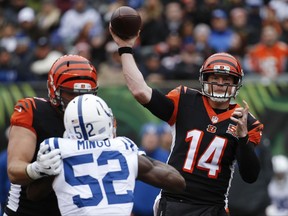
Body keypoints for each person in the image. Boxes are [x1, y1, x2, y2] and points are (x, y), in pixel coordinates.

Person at [110, 27, 263, 216]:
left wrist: (242, 138)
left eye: (226, 79)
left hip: (212, 206)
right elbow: (141, 91)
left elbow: (250, 176)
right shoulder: (185, 100)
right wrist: (125, 48)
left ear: (236, 83)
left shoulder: (245, 121)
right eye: (215, 77)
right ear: (204, 78)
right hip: (174, 201)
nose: (221, 84)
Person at [26, 94, 186, 216]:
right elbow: (178, 182)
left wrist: (39, 170)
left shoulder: (57, 149)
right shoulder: (123, 148)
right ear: (106, 122)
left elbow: (32, 195)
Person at [5, 54, 98, 216]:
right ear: (53, 89)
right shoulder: (33, 110)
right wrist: (37, 169)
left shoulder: (100, 118)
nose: (80, 101)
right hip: (27, 211)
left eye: (86, 94)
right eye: (72, 94)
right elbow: (14, 170)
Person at [132, 123, 169, 216]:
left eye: (154, 136)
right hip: (135, 211)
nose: (150, 139)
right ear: (142, 138)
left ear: (158, 139)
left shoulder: (166, 157)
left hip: (157, 212)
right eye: (147, 135)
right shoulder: (133, 155)